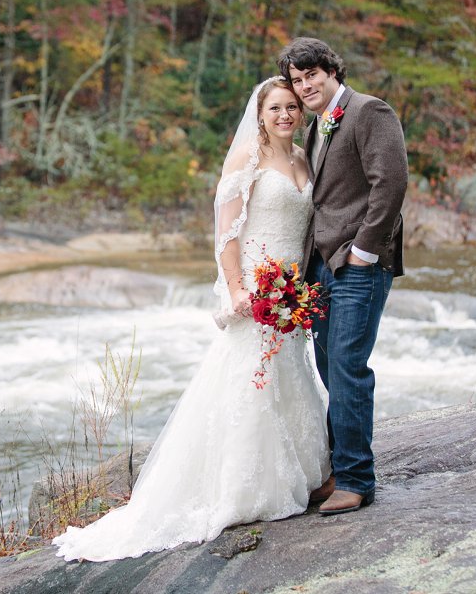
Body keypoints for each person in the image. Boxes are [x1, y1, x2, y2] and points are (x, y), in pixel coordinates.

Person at [52, 77, 330, 562]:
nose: (285, 115)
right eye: (275, 108)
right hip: (256, 283)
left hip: (291, 288)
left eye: (291, 107)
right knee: (248, 378)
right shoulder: (246, 158)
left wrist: (297, 287)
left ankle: (303, 474)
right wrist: (239, 288)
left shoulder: (304, 158)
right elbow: (226, 233)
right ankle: (243, 487)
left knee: (290, 372)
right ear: (260, 115)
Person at [277, 37, 408, 515]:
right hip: (320, 268)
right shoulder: (316, 128)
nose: (305, 85)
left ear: (332, 72)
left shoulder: (370, 112)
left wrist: (365, 252)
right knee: (333, 370)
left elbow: (390, 184)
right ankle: (337, 472)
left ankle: (357, 480)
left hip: (358, 266)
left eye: (311, 74)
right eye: (297, 79)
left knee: (349, 368)